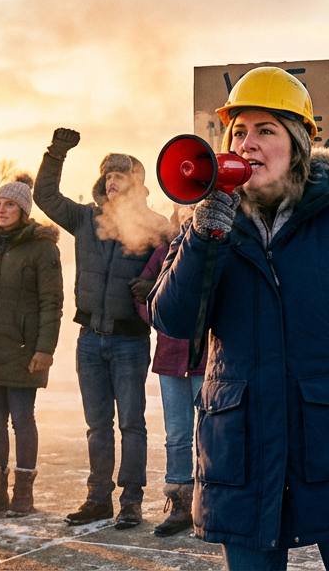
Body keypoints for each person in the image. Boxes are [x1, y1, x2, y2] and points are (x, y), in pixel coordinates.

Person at [152, 66, 329, 571]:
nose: (248, 143)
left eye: (265, 130)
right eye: (239, 131)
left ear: (299, 142)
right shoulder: (211, 225)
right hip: (242, 449)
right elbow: (171, 316)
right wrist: (201, 234)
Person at [35, 129, 170, 529]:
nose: (112, 181)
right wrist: (56, 154)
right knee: (97, 425)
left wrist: (151, 288)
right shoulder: (85, 219)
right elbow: (45, 196)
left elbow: (175, 267)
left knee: (131, 423)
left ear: (137, 184)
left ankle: (131, 501)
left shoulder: (154, 226)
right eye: (109, 175)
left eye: (121, 176)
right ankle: (98, 498)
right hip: (90, 338)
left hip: (129, 340)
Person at [0, 174, 62, 518]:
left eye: (10, 205)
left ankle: (23, 494)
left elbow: (52, 301)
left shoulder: (42, 247)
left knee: (21, 419)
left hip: (22, 348)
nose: (2, 210)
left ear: (23, 209)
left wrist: (44, 349)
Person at [134, 204, 204, 537]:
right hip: (171, 356)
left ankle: (209, 502)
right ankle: (179, 502)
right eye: (183, 209)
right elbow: (143, 291)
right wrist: (160, 319)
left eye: (194, 207)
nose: (188, 214)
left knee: (211, 434)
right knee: (177, 435)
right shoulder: (165, 250)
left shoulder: (214, 246)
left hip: (206, 358)